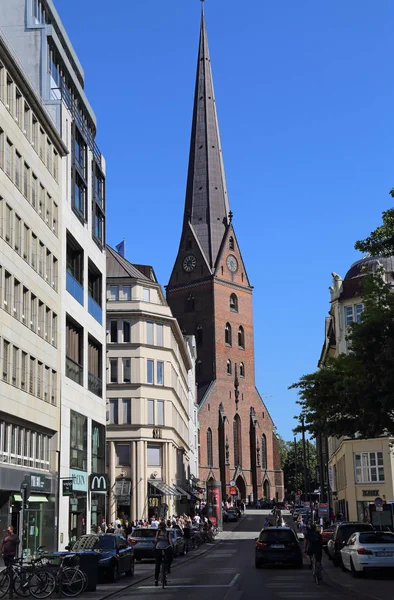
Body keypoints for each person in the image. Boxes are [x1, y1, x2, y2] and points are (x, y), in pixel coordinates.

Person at [154, 522, 173, 587]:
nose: (161, 529)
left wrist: (171, 546)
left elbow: (170, 540)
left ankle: (168, 567)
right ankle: (156, 579)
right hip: (159, 548)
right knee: (157, 564)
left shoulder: (168, 533)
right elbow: (156, 540)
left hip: (166, 547)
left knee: (169, 557)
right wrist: (156, 541)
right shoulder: (158, 533)